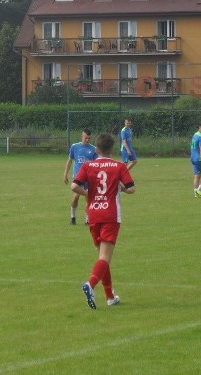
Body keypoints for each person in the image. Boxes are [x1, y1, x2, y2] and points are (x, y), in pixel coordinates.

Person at [73, 132, 135, 310]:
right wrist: (120, 188)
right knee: (105, 258)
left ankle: (109, 297)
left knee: (102, 257)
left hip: (93, 214)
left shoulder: (87, 165)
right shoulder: (118, 166)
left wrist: (89, 194)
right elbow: (132, 189)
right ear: (112, 149)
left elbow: (74, 185)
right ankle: (90, 285)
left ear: (96, 149)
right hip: (110, 215)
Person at [62, 128, 97, 224]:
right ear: (82, 137)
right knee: (76, 197)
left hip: (89, 178)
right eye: (86, 138)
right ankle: (73, 217)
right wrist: (65, 174)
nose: (87, 140)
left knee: (88, 198)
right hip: (78, 177)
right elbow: (70, 161)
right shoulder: (74, 147)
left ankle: (87, 219)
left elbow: (96, 165)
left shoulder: (93, 149)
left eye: (89, 138)